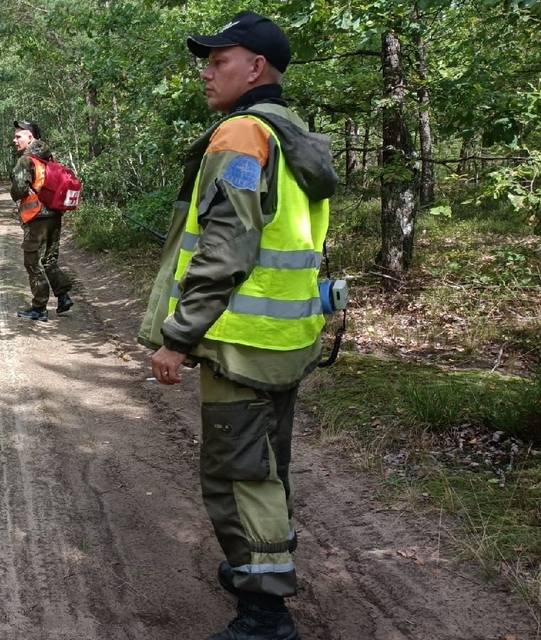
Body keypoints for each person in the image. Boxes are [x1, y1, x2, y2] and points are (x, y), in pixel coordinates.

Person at [137, 12, 338, 640]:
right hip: (286, 340)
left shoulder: (242, 137)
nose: (205, 71)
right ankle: (262, 566)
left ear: (255, 68)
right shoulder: (292, 133)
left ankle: (264, 611)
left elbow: (226, 247)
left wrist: (178, 335)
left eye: (218, 60)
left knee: (239, 474)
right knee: (269, 464)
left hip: (239, 343)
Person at [11, 120, 73, 322]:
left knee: (32, 263)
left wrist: (15, 192)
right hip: (55, 214)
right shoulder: (49, 158)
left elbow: (19, 189)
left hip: (37, 217)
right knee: (49, 259)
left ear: (31, 138)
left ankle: (39, 308)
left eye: (18, 136)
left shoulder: (26, 160)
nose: (15, 140)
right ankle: (63, 296)